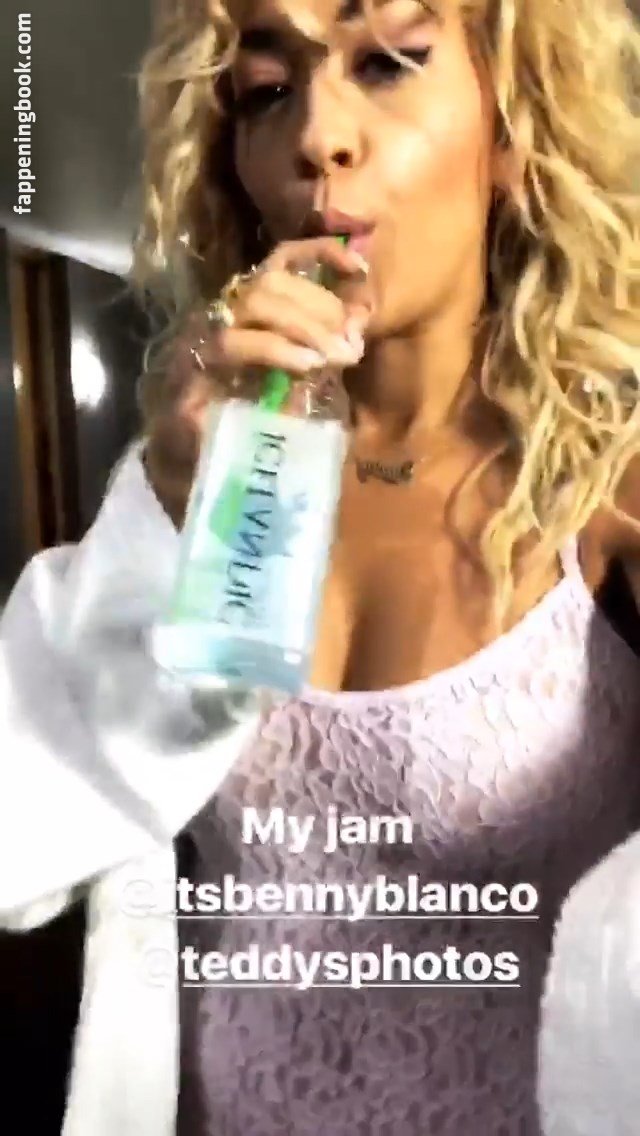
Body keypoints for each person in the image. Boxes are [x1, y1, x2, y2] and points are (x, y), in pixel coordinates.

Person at [1, 0, 639, 1133]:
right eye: (266, 91)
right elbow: (19, 841)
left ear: (514, 128)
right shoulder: (203, 475)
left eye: (389, 60)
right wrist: (162, 519)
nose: (317, 137)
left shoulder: (609, 486)